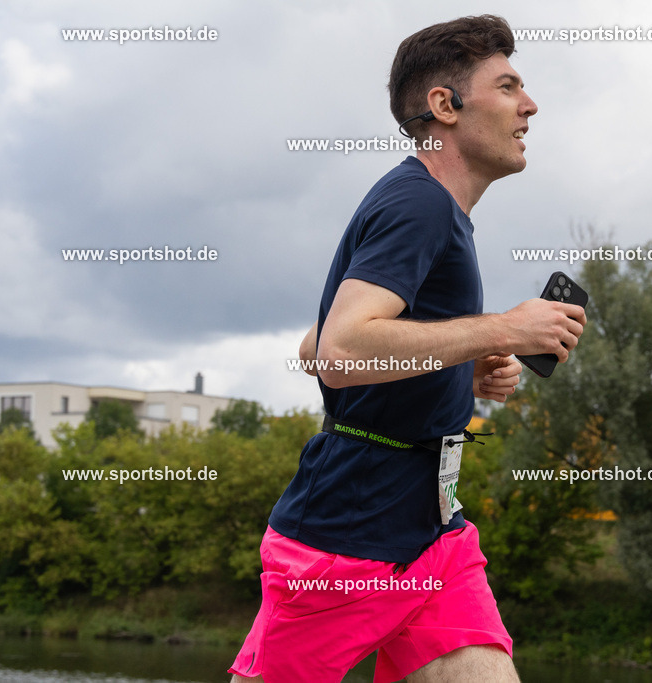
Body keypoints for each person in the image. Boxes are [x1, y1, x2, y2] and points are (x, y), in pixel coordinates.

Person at [230, 14, 586, 683]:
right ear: (444, 106)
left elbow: (314, 342)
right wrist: (504, 328)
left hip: (434, 537)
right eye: (508, 86)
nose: (530, 105)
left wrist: (457, 363)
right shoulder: (419, 204)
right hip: (346, 539)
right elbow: (338, 349)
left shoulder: (438, 210)